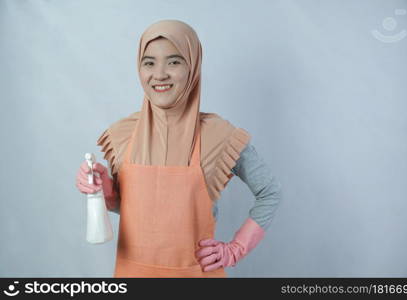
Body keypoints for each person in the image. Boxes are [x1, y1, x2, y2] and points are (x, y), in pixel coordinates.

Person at [75, 20, 280, 278]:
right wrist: (103, 188)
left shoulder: (219, 135)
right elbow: (129, 208)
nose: (159, 74)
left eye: (173, 62)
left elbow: (269, 193)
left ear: (193, 66)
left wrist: (236, 248)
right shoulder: (121, 134)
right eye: (149, 62)